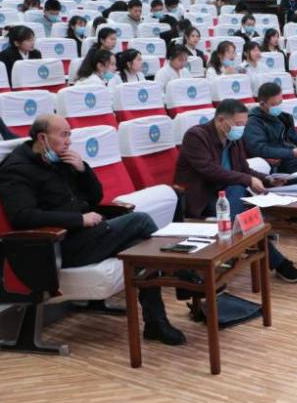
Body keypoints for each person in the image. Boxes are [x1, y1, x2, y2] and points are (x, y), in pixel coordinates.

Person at [0, 114, 186, 345]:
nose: (69, 140)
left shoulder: (60, 160)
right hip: (55, 248)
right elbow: (22, 216)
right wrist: (78, 219)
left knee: (138, 246)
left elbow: (95, 196)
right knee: (140, 220)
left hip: (84, 237)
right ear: (42, 138)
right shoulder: (16, 169)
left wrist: (82, 169)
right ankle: (184, 271)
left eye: (70, 134)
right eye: (63, 135)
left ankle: (156, 322)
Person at [174, 99, 297, 282]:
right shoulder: (196, 136)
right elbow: (210, 170)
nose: (241, 129)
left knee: (243, 209)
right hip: (203, 198)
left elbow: (244, 169)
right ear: (221, 120)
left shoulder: (233, 139)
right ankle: (274, 261)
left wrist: (268, 179)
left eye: (244, 124)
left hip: (230, 197)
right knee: (241, 201)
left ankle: (246, 254)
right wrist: (247, 180)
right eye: (238, 124)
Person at [245, 82, 297, 175]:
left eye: (280, 103)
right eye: (274, 104)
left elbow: (296, 138)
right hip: (280, 166)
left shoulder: (284, 117)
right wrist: (290, 153)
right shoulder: (254, 122)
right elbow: (259, 148)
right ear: (262, 104)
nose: (278, 107)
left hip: (295, 160)